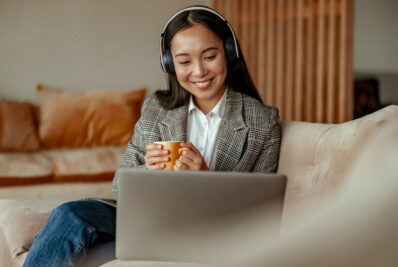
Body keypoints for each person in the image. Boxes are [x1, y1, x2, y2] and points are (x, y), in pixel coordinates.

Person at [23, 5, 281, 267]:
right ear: (169, 64)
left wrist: (206, 179)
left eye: (209, 56)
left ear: (228, 53)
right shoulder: (156, 110)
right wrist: (147, 171)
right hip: (151, 222)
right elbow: (118, 186)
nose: (199, 71)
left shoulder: (262, 121)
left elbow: (260, 211)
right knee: (71, 214)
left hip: (211, 230)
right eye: (184, 61)